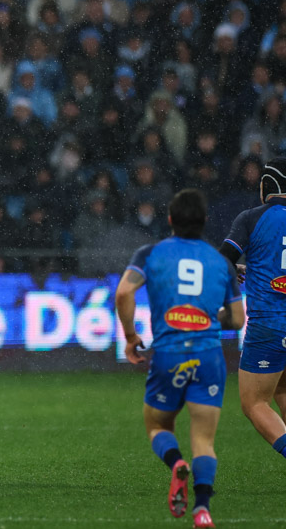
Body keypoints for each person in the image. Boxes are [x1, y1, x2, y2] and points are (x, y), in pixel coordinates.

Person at [116, 189, 243, 528]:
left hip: (169, 354)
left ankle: (175, 465)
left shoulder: (151, 253)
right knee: (204, 439)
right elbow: (238, 319)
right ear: (204, 222)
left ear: (170, 219)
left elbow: (124, 292)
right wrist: (206, 316)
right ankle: (202, 510)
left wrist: (131, 337)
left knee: (158, 424)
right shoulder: (221, 262)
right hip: (209, 356)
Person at [218, 157, 286, 467]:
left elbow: (223, 261)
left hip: (270, 322)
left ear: (267, 186)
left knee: (254, 403)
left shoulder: (252, 217)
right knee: (282, 390)